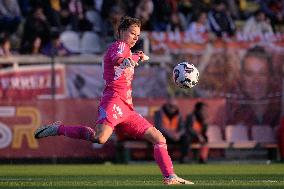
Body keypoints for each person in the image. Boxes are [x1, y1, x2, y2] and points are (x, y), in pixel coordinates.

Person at [34, 16, 193, 185]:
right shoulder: (119, 46)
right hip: (114, 102)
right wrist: (136, 57)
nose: (135, 38)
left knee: (158, 138)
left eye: (137, 35)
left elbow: (126, 59)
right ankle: (59, 128)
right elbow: (121, 61)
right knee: (100, 138)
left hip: (127, 109)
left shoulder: (126, 49)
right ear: (121, 31)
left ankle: (170, 177)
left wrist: (135, 54)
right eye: (132, 33)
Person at [154, 97, 190, 163]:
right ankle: (163, 159)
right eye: (170, 106)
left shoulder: (179, 115)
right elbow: (159, 127)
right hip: (165, 136)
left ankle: (184, 158)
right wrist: (170, 134)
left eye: (174, 106)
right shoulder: (159, 113)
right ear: (166, 105)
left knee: (186, 137)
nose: (172, 108)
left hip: (176, 136)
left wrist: (178, 134)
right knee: (159, 138)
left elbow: (183, 128)